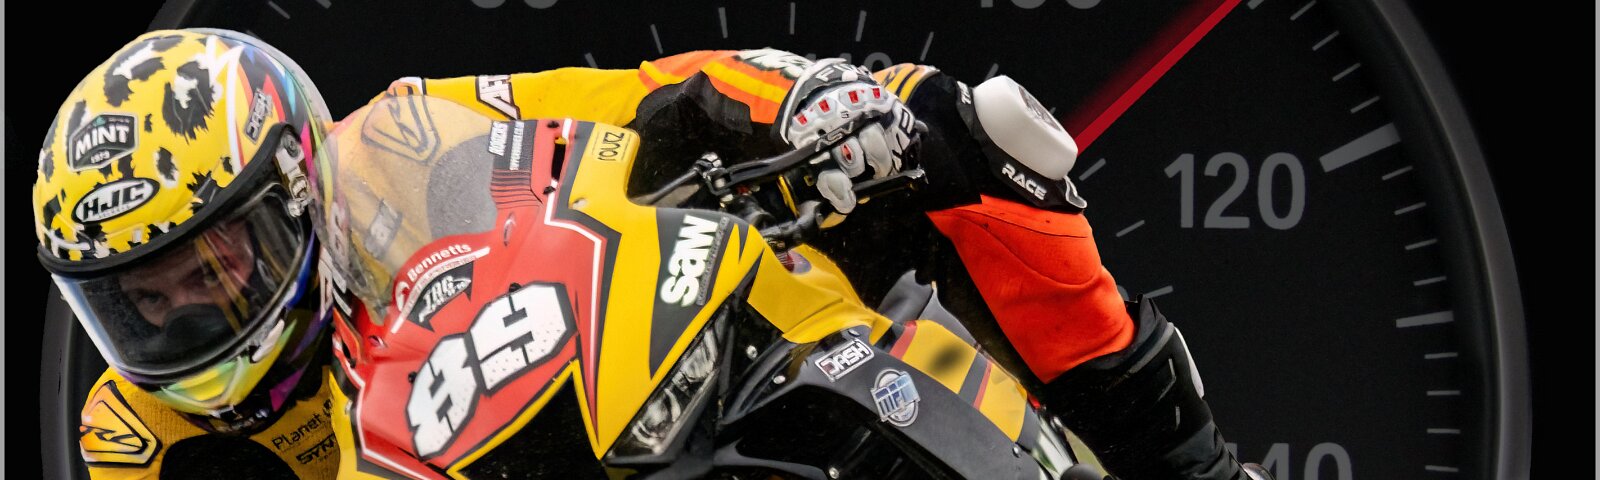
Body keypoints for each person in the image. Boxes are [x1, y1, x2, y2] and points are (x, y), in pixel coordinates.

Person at [335, 50, 1271, 479]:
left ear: (297, 183)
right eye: (265, 269)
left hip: (719, 335)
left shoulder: (388, 147)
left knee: (968, 139)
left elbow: (637, 96)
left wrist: (796, 98)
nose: (260, 288)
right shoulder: (234, 436)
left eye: (261, 239)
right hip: (510, 458)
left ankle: (1195, 469)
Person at [33, 29, 339, 478]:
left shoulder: (413, 261)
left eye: (210, 273)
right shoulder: (132, 434)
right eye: (150, 297)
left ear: (298, 194)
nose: (186, 320)